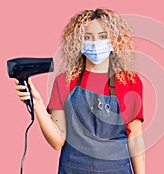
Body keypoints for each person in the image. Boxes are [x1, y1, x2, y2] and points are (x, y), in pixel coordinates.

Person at [15, 8, 145, 174]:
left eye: (103, 36)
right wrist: (38, 105)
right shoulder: (64, 81)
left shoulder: (130, 82)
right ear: (78, 41)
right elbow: (57, 141)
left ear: (115, 40)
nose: (95, 43)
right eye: (87, 37)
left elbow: (135, 138)